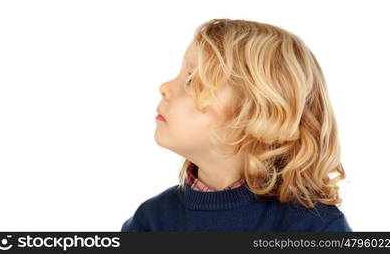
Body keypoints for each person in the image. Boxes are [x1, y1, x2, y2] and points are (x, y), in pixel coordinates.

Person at [121, 18, 352, 231]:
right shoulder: (150, 222)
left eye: (193, 80)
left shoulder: (315, 228)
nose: (165, 87)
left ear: (256, 114)